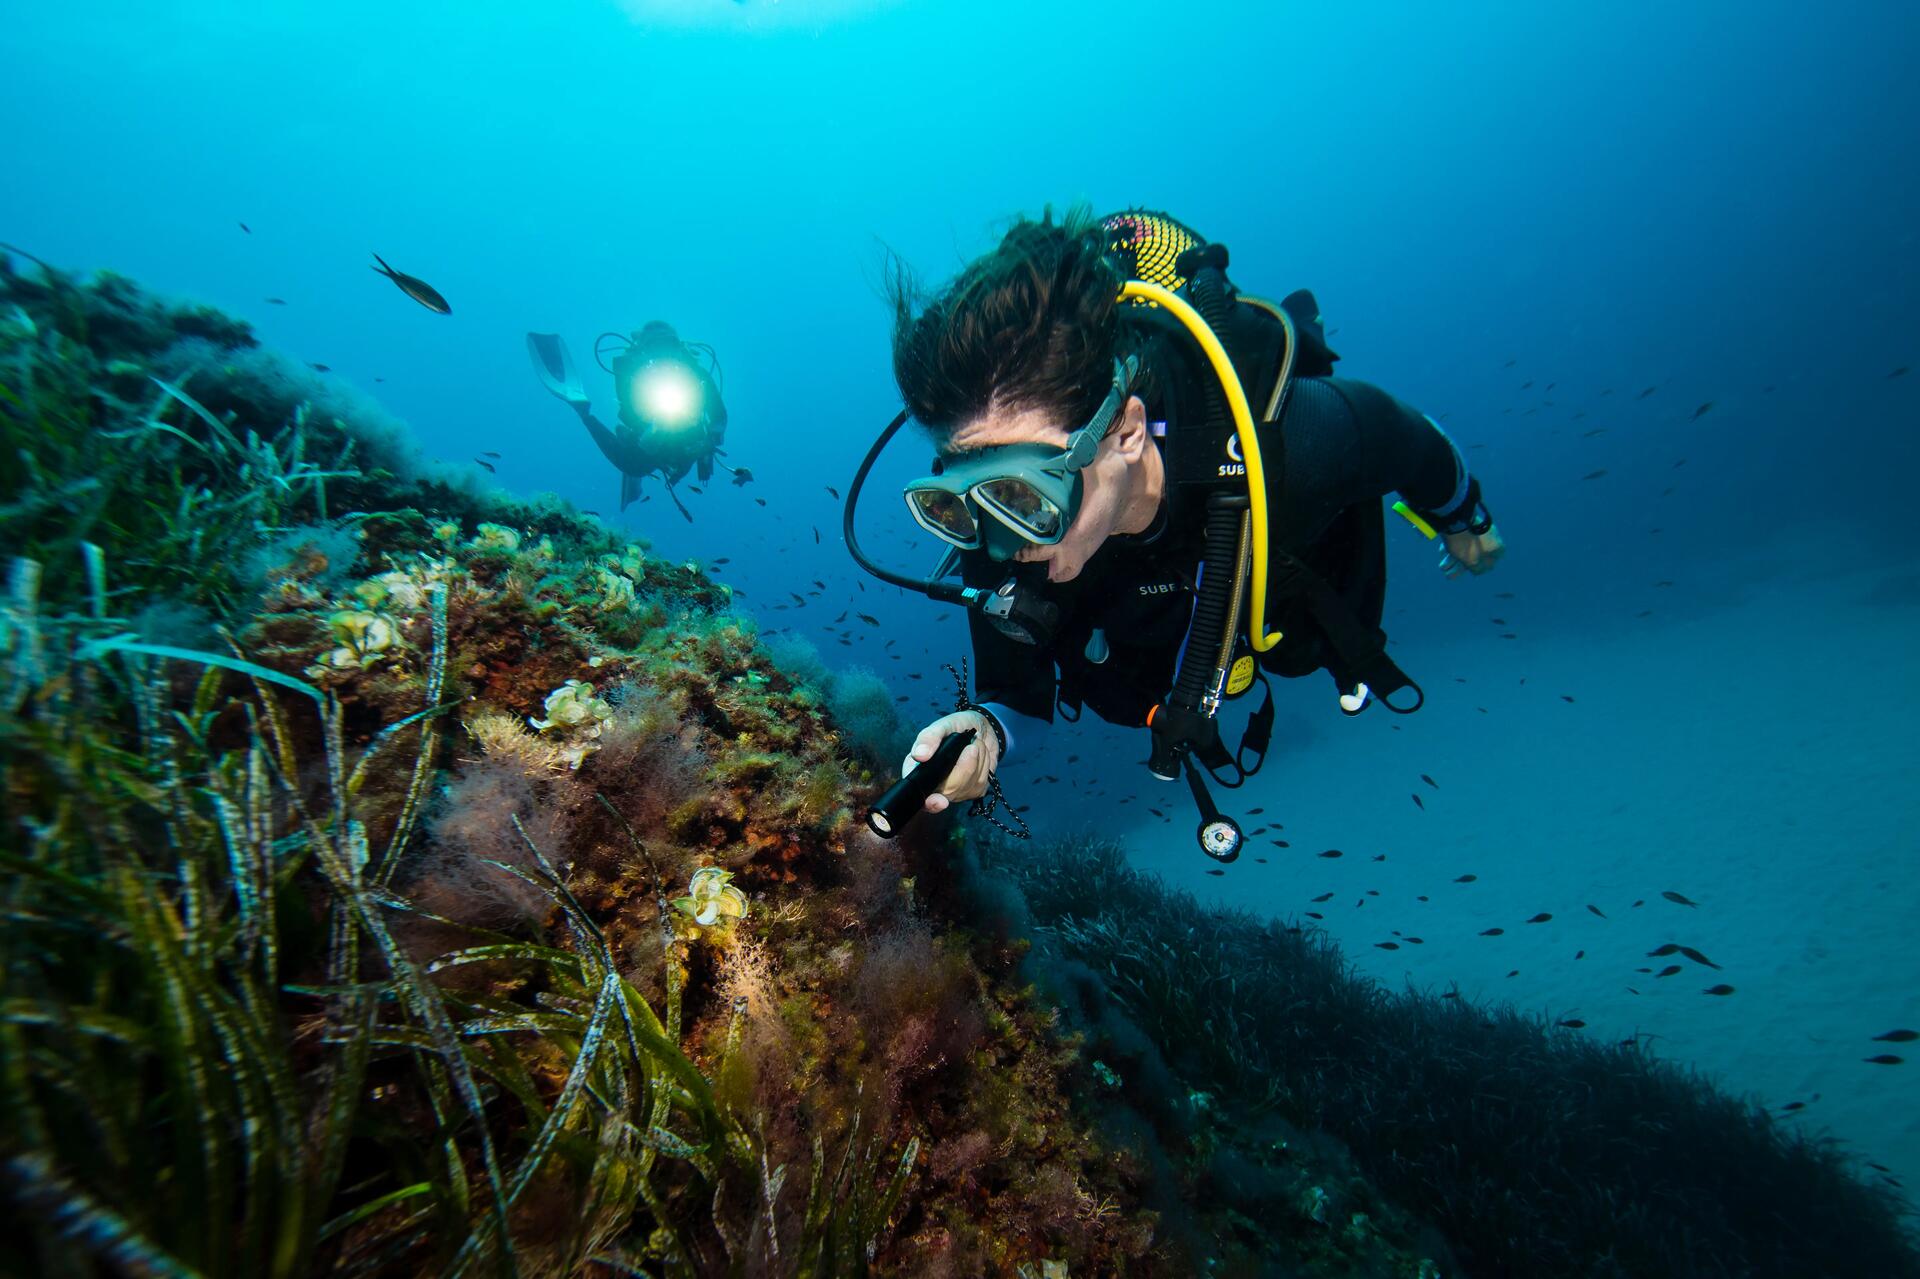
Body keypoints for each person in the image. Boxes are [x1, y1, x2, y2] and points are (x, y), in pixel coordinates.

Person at [865, 208, 1504, 843]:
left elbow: (1406, 437)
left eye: (1026, 497)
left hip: (1276, 577)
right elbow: (1018, 696)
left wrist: (1462, 516)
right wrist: (986, 730)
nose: (1004, 544)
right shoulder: (995, 525)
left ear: (1127, 432)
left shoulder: (1289, 442)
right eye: (956, 503)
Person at [527, 320, 745, 519]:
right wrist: (647, 430)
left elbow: (719, 413)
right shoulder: (631, 372)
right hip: (649, 435)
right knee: (633, 466)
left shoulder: (697, 374)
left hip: (689, 439)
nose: (662, 352)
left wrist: (711, 440)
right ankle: (583, 411)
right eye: (655, 346)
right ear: (644, 349)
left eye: (667, 345)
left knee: (681, 466)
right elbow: (628, 412)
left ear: (677, 346)